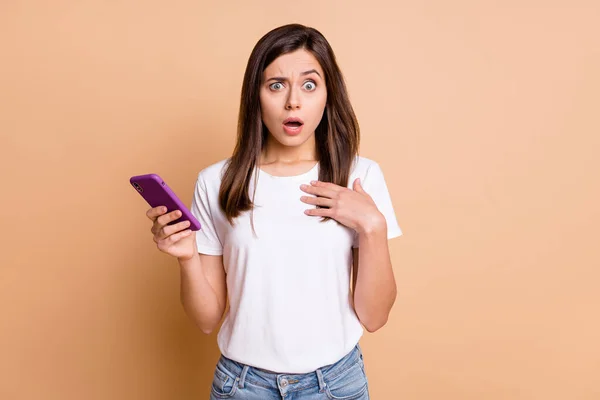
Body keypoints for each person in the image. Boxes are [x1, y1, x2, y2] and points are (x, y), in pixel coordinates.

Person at [146, 23, 402, 400]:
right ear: (257, 96)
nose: (293, 102)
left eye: (309, 85)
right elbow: (205, 320)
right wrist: (186, 258)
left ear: (328, 96)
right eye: (276, 85)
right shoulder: (218, 182)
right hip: (242, 386)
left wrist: (373, 226)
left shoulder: (359, 176)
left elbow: (375, 318)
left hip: (335, 384)